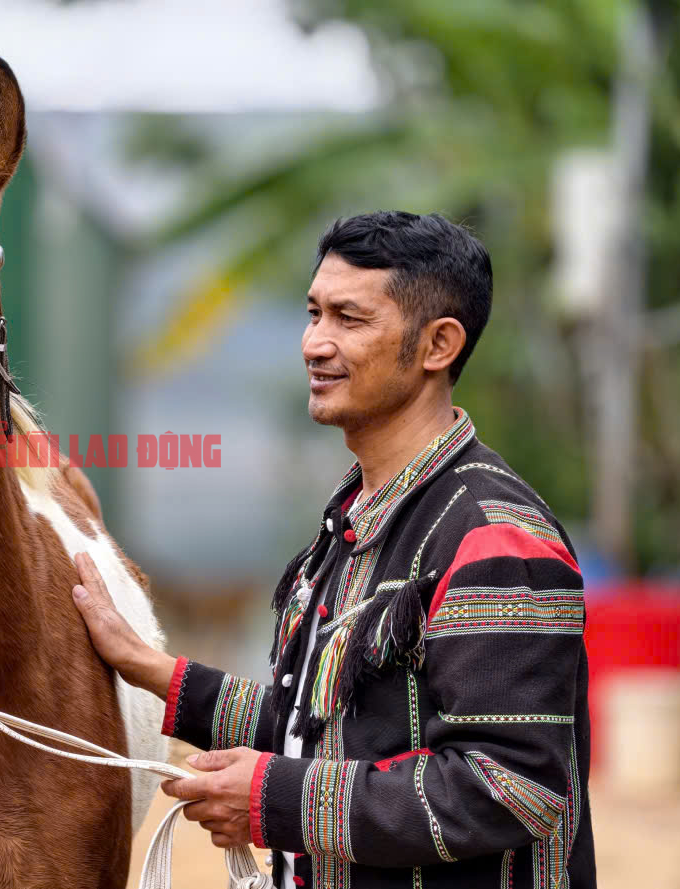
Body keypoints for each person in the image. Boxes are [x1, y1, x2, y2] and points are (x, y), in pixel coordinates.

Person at [71, 211, 595, 889]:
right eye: (313, 312)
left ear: (438, 344)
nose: (315, 342)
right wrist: (153, 671)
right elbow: (316, 731)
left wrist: (274, 798)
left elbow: (508, 785)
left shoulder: (493, 534)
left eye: (349, 318)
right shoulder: (356, 519)